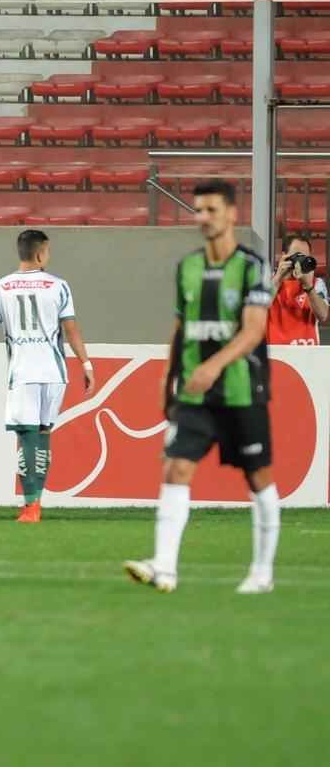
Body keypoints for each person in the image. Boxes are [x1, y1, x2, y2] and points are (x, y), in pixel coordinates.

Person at [124, 180, 279, 594]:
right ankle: (164, 568)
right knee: (176, 467)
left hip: (241, 389)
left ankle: (262, 573)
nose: (202, 218)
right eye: (198, 210)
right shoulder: (187, 267)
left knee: (258, 477)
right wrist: (166, 377)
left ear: (231, 214)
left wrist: (212, 367)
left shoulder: (251, 266)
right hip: (195, 392)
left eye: (211, 210)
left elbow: (253, 331)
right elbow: (180, 327)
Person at [0, 229, 94, 523]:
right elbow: (71, 329)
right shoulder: (59, 286)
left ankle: (31, 506)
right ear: (41, 253)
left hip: (24, 372)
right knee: (42, 434)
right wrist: (86, 364)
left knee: (26, 436)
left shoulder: (0, 287)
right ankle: (36, 501)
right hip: (54, 373)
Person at [266, 234, 329, 345]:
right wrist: (278, 279)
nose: (299, 262)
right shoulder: (268, 281)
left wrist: (308, 287)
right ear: (284, 256)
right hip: (275, 355)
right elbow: (258, 309)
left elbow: (324, 315)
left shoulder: (316, 283)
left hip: (306, 354)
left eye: (304, 257)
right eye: (296, 255)